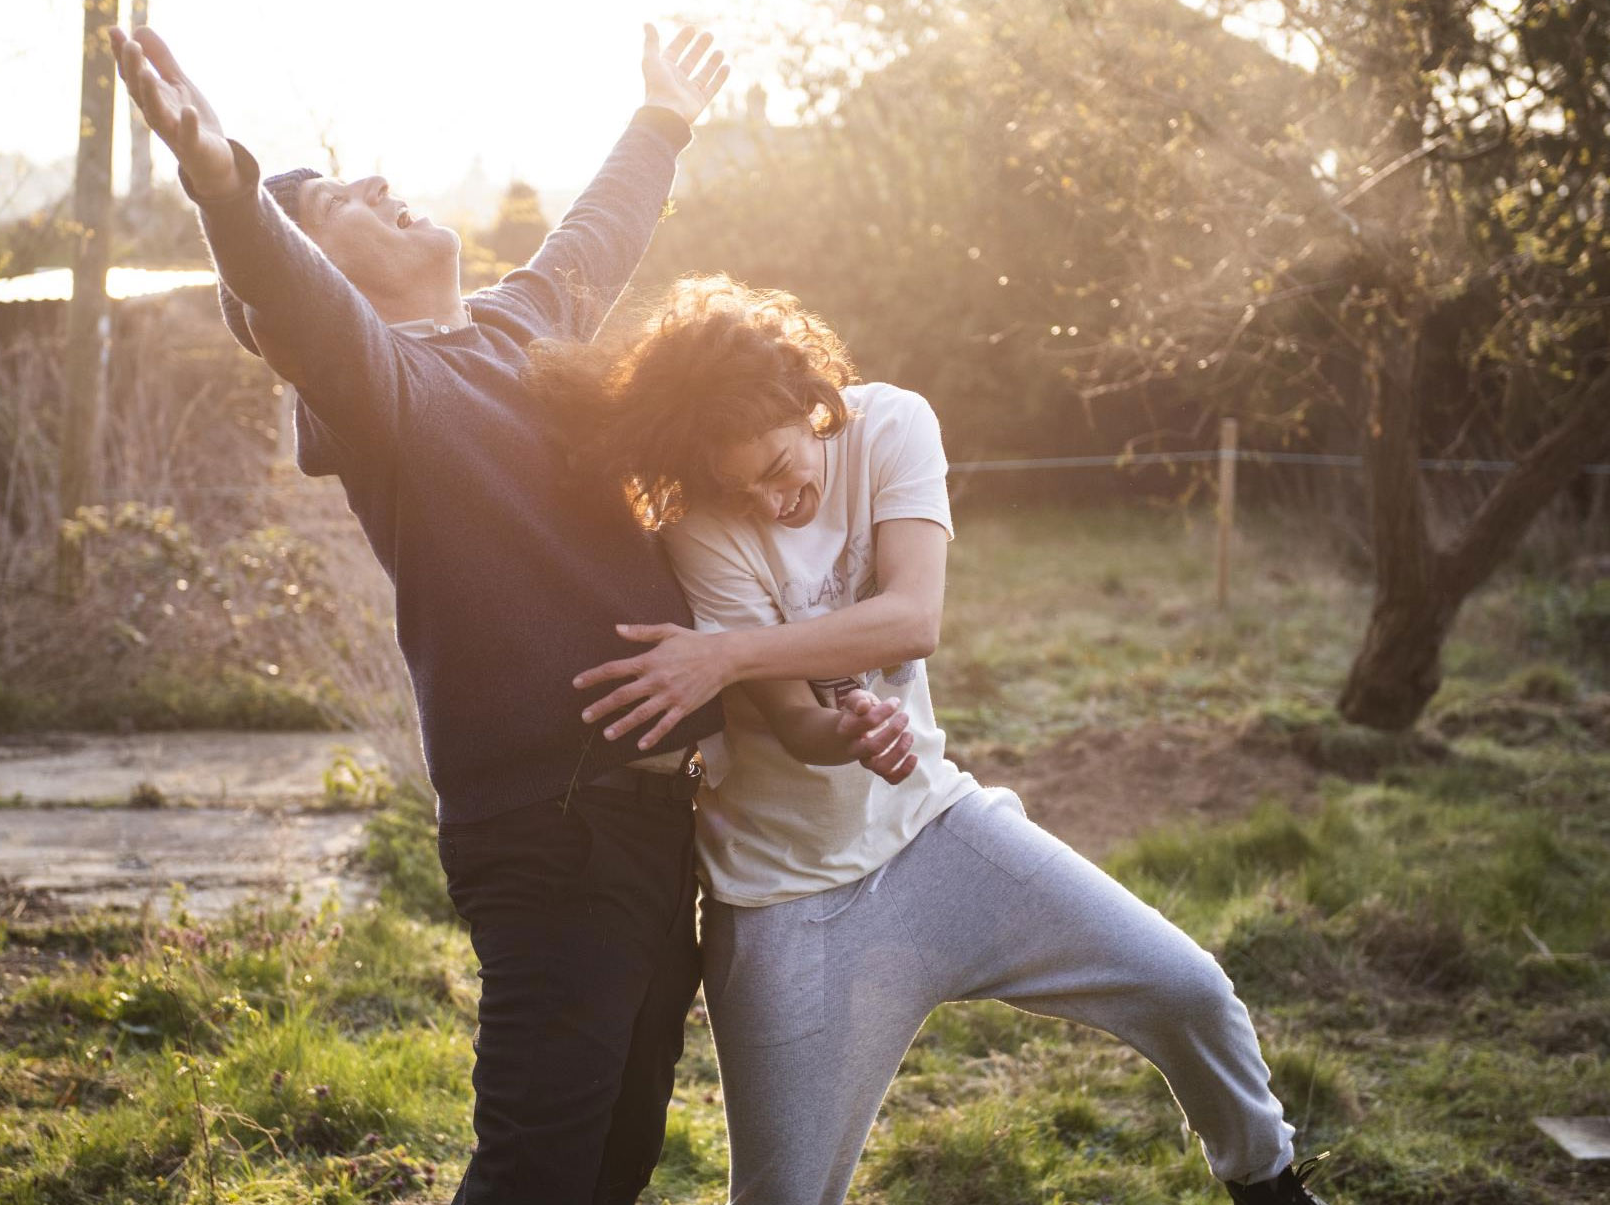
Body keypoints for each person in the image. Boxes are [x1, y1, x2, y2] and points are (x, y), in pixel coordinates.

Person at [110, 25, 911, 1204]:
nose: (379, 185)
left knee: (618, 1153)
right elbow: (289, 300)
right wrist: (224, 182)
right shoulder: (387, 394)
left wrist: (662, 118)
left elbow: (599, 232)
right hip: (551, 832)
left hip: (651, 825)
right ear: (310, 277)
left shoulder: (522, 327)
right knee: (539, 1165)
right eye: (338, 200)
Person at [542, 275, 1334, 1205]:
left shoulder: (893, 426)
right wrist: (850, 727)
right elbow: (796, 723)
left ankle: (1273, 1187)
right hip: (785, 902)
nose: (766, 500)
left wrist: (722, 656)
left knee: (1187, 989)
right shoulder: (702, 530)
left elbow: (912, 617)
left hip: (934, 833)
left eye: (776, 464)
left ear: (813, 402)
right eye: (736, 485)